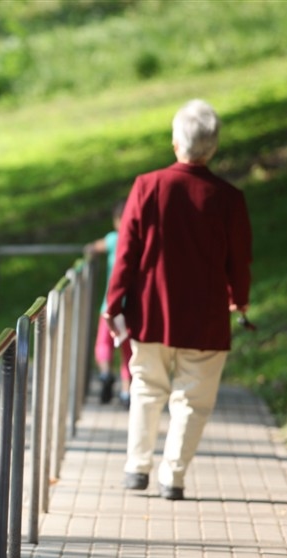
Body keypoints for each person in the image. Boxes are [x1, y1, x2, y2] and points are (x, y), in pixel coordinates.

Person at [105, 99, 252, 501]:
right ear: (213, 147)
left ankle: (136, 468)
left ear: (175, 143)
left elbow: (127, 252)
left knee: (147, 388)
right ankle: (174, 475)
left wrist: (114, 302)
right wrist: (240, 299)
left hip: (151, 311)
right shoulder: (229, 198)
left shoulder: (147, 186)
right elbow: (238, 260)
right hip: (205, 316)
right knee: (193, 399)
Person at [84, 199, 132, 407]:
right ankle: (126, 392)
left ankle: (105, 373)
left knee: (103, 344)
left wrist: (88, 250)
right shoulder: (139, 240)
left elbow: (93, 247)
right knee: (128, 351)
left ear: (116, 220)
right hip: (132, 308)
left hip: (109, 306)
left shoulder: (114, 239)